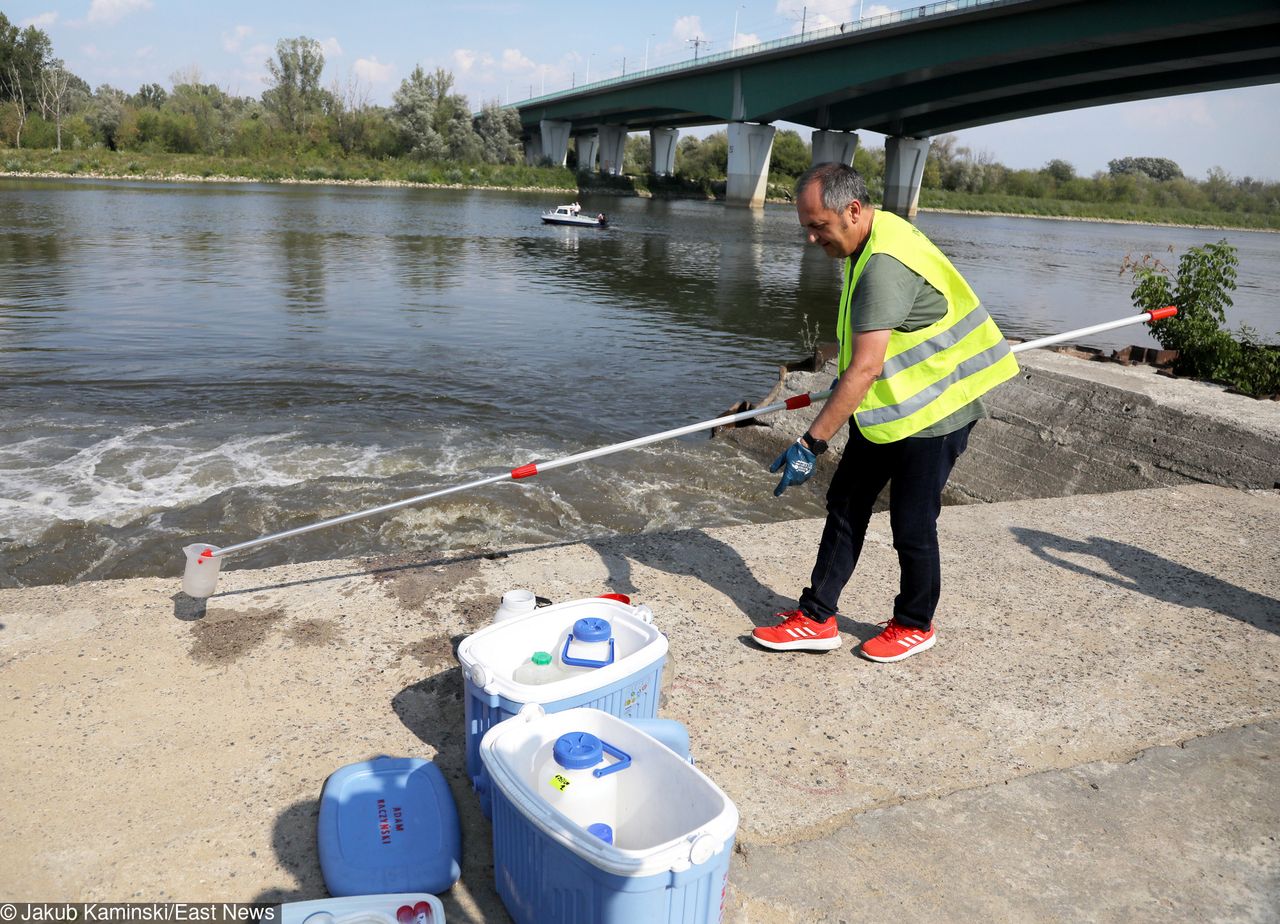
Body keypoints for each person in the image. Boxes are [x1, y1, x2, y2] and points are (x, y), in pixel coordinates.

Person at [751, 163, 1018, 662]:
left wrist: (810, 443)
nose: (811, 239)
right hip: (889, 409)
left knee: (912, 522)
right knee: (846, 503)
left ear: (853, 210)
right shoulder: (873, 232)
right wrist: (851, 380)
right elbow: (873, 354)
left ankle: (915, 623)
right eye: (805, 226)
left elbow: (866, 368)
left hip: (936, 410)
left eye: (818, 226)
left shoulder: (883, 266)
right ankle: (816, 617)